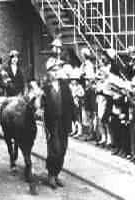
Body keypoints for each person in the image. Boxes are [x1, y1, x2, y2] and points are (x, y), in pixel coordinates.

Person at [43, 37, 75, 189]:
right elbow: (42, 107)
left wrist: (73, 119)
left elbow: (70, 103)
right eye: (53, 71)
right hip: (52, 123)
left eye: (58, 70)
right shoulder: (47, 88)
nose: (56, 73)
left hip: (64, 122)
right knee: (54, 149)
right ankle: (50, 175)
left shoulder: (64, 86)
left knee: (63, 149)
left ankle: (57, 174)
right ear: (49, 73)